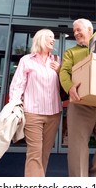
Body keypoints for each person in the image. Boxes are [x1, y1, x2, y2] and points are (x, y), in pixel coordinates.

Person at [59, 18, 96, 177]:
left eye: (79, 29)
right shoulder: (71, 53)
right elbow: (64, 72)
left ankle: (90, 178)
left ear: (90, 30)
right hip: (80, 104)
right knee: (78, 151)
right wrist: (69, 87)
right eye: (74, 31)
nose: (76, 33)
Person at [9, 28, 62, 177]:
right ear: (40, 39)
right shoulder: (27, 60)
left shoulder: (57, 61)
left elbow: (66, 83)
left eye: (54, 38)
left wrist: (60, 70)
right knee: (35, 152)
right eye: (50, 37)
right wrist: (15, 107)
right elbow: (17, 85)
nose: (53, 40)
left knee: (45, 152)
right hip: (33, 112)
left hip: (54, 113)